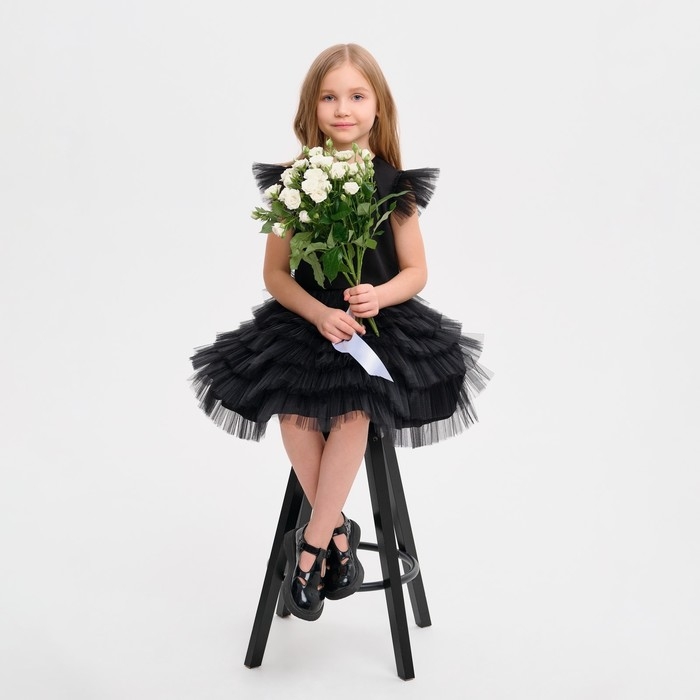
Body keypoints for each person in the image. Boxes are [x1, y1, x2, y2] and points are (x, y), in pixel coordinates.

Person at [189, 43, 491, 622]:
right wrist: (317, 313)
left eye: (356, 96)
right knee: (294, 414)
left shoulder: (394, 186)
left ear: (378, 107)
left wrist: (379, 294)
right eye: (329, 97)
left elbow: (416, 271)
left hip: (377, 323)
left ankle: (310, 549)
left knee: (355, 409)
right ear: (312, 107)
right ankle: (339, 535)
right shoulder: (295, 183)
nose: (343, 109)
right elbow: (276, 275)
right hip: (309, 322)